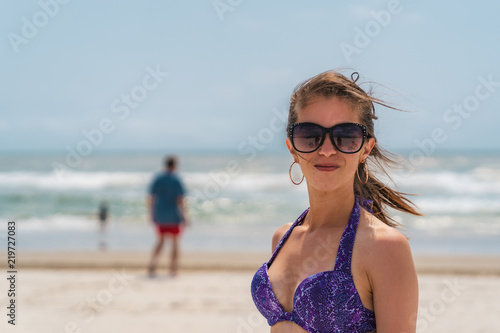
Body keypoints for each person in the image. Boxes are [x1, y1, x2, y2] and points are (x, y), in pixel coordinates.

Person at [251, 70, 421, 333]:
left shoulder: (384, 247)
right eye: (310, 135)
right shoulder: (282, 238)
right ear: (292, 148)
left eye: (345, 136)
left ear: (365, 148)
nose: (327, 149)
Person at [147, 155, 188, 277]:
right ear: (175, 166)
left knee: (160, 240)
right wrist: (185, 215)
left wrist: (152, 213)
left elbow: (151, 198)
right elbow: (180, 199)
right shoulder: (176, 180)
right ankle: (173, 269)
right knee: (175, 242)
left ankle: (152, 265)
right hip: (173, 215)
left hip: (160, 214)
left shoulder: (158, 179)